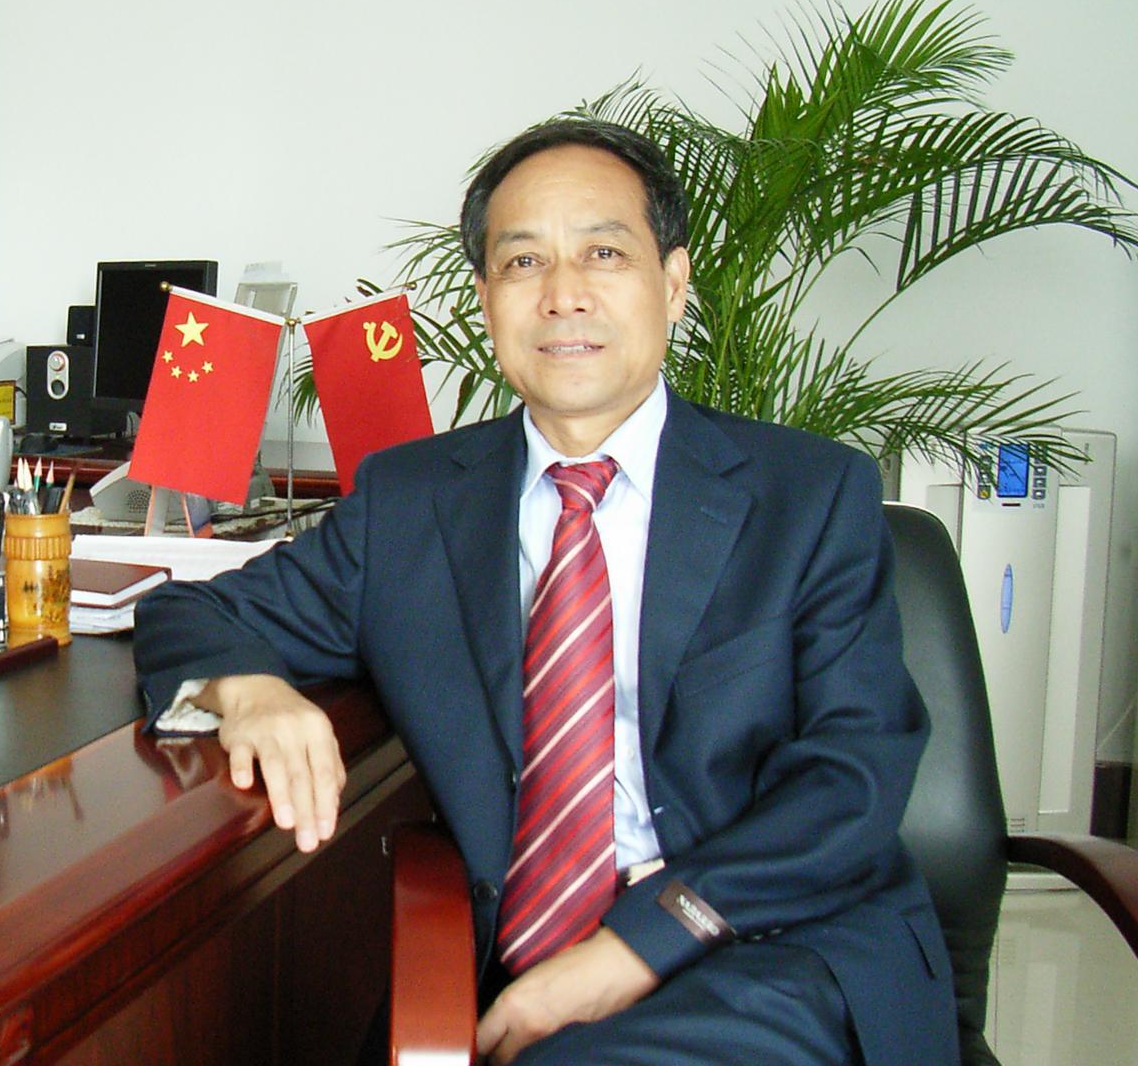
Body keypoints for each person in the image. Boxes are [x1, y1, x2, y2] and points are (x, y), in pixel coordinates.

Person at [134, 120, 959, 1066]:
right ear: (487, 300)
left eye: (604, 253)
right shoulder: (412, 502)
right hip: (507, 965)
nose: (563, 294)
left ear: (673, 284)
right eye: (523, 262)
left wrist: (635, 946)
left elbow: (853, 778)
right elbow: (189, 611)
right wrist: (250, 691)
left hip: (771, 945)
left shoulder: (807, 494)